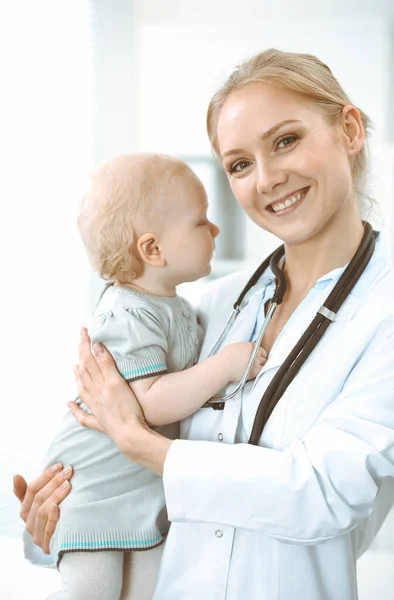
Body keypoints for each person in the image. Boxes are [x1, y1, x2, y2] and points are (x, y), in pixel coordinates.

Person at [14, 48, 394, 600]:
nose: (267, 179)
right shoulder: (207, 308)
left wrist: (141, 443)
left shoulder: (389, 319)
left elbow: (319, 496)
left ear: (349, 129)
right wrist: (66, 513)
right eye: (240, 164)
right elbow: (134, 482)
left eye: (286, 140)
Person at [22, 152, 267, 600]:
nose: (214, 229)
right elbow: (149, 403)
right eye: (201, 221)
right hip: (91, 491)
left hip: (142, 496)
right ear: (152, 249)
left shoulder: (174, 307)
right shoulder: (127, 313)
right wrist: (226, 365)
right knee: (92, 591)